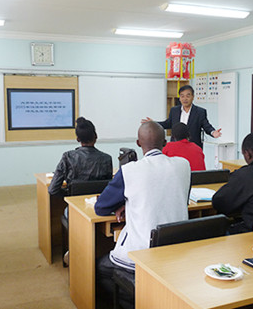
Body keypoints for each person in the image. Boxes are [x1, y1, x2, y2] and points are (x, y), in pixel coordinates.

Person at [94, 121, 190, 306]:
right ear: (165, 142)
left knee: (100, 268)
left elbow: (101, 207)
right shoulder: (183, 165)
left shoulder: (129, 170)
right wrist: (130, 201)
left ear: (138, 143)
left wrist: (123, 202)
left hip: (141, 256)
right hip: (177, 252)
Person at [48, 117, 113, 196]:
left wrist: (70, 194)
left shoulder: (68, 157)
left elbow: (53, 190)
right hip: (99, 205)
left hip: (75, 205)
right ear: (96, 136)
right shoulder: (107, 158)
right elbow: (109, 188)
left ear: (78, 139)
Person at [142, 85, 221, 148]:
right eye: (182, 96)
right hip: (176, 145)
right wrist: (153, 123)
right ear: (179, 98)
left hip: (193, 146)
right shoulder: (174, 110)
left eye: (188, 96)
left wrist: (213, 132)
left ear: (193, 97)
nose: (185, 99)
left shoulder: (200, 112)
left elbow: (206, 126)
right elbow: (168, 124)